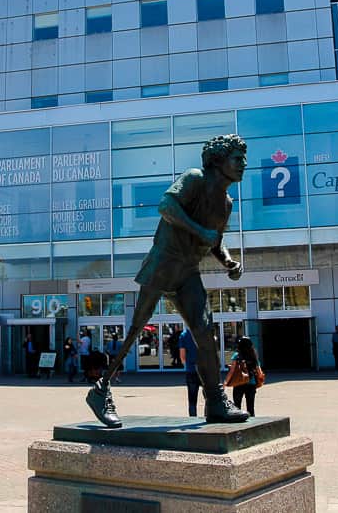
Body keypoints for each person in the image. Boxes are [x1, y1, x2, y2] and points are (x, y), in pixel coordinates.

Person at [86, 134, 251, 427]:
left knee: (206, 334)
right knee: (136, 327)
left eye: (243, 158)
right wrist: (201, 232)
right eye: (237, 158)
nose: (243, 164)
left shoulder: (225, 203)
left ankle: (215, 401)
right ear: (219, 160)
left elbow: (215, 242)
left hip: (188, 271)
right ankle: (101, 390)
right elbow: (166, 206)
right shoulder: (195, 179)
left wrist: (228, 262)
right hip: (164, 262)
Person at [225, 336, 262, 417]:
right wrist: (260, 381)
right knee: (251, 408)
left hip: (239, 383)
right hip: (251, 384)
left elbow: (231, 371)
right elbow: (259, 372)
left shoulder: (237, 355)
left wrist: (225, 382)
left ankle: (239, 424)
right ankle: (252, 426)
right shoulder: (253, 355)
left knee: (237, 407)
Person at [179, 328, 200, 417]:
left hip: (191, 370)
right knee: (209, 397)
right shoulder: (202, 331)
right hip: (205, 370)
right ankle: (209, 416)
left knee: (192, 399)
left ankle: (193, 418)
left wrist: (187, 364)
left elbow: (182, 356)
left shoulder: (184, 335)